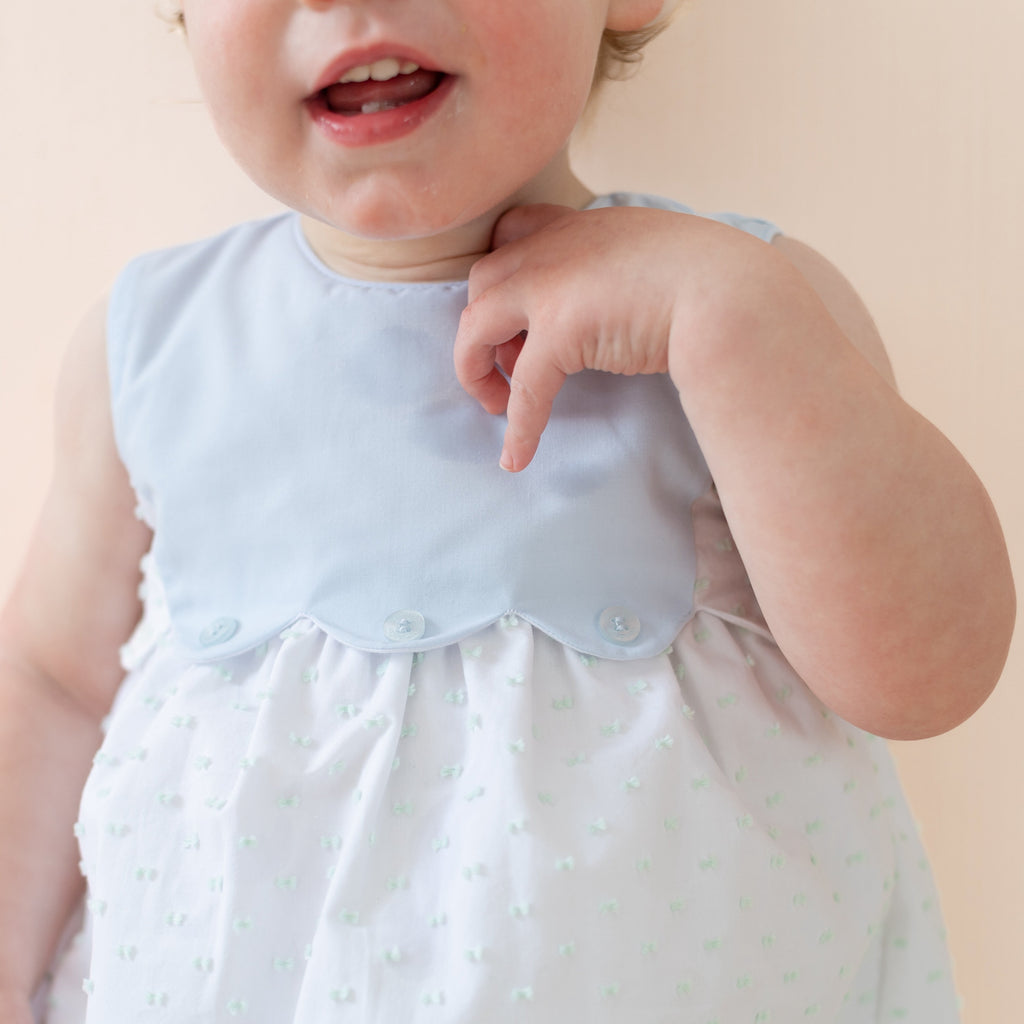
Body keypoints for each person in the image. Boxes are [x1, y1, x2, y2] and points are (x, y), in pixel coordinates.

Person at [0, 0, 1014, 1020]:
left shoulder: (748, 310)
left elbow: (929, 673)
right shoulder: (154, 348)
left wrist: (727, 318)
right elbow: (55, 681)